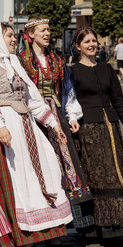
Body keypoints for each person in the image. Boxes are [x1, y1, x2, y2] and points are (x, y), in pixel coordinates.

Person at [0, 23, 73, 247]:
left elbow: (33, 98)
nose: (13, 40)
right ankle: (24, 238)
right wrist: (0, 126)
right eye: (8, 36)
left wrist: (52, 123)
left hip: (26, 124)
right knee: (18, 177)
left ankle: (49, 230)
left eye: (13, 36)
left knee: (45, 167)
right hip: (6, 128)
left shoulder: (14, 63)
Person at [70, 27, 123, 238]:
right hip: (87, 129)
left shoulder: (106, 69)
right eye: (87, 41)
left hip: (110, 128)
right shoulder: (72, 71)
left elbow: (118, 101)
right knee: (95, 174)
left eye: (94, 41)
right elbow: (69, 102)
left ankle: (118, 223)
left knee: (115, 173)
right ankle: (96, 224)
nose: (92, 45)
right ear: (78, 46)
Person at [18, 17, 94, 232]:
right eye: (43, 30)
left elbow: (67, 89)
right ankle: (45, 218)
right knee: (41, 165)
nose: (47, 33)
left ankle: (77, 218)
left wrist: (71, 116)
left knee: (67, 161)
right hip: (33, 119)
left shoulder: (56, 60)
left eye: (49, 29)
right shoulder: (22, 60)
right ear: (30, 34)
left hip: (56, 114)